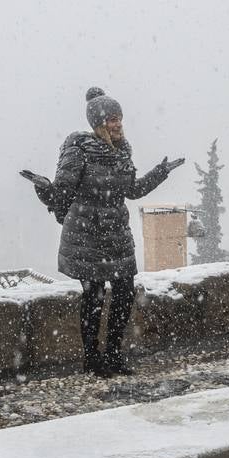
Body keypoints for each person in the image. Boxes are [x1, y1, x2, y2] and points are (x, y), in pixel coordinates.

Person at [49, 87, 183, 376]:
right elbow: (63, 192)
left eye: (119, 117)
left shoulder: (122, 150)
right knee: (94, 296)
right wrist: (46, 192)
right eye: (112, 119)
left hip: (117, 234)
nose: (118, 123)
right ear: (98, 122)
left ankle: (113, 353)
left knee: (124, 293)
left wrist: (160, 172)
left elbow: (132, 190)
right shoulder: (79, 149)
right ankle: (92, 359)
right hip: (87, 234)